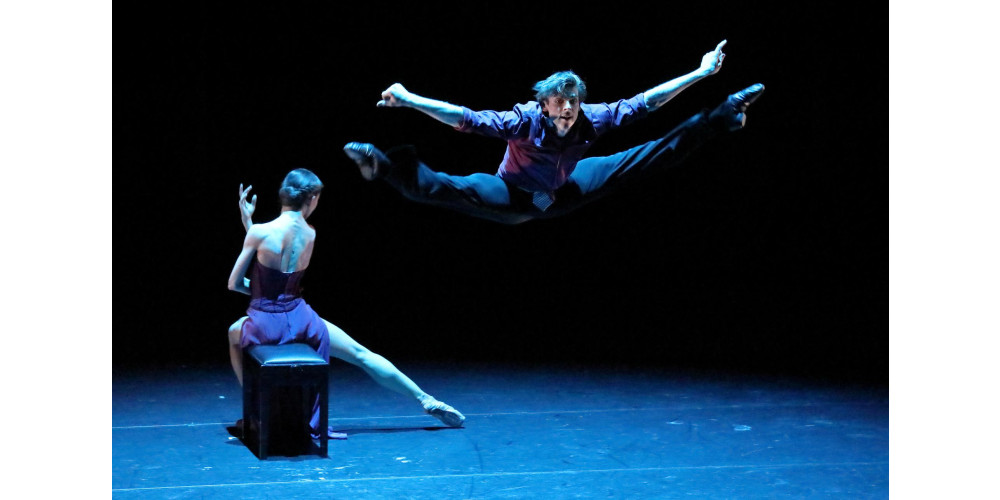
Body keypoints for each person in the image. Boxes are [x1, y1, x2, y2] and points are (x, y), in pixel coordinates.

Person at [343, 40, 764, 225]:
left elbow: (646, 102)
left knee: (649, 154)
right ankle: (380, 166)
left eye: (572, 103)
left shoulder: (592, 117)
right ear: (544, 104)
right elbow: (465, 118)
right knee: (446, 188)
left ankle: (724, 114)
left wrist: (701, 72)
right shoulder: (522, 121)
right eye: (559, 104)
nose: (566, 111)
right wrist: (410, 98)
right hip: (514, 193)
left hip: (563, 189)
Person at [227, 169, 465, 439]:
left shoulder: (260, 232)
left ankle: (256, 412)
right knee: (360, 353)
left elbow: (236, 283)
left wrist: (249, 226)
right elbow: (280, 274)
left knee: (234, 334)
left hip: (266, 324)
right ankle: (425, 399)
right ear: (312, 198)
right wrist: (251, 228)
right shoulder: (310, 233)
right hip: (302, 320)